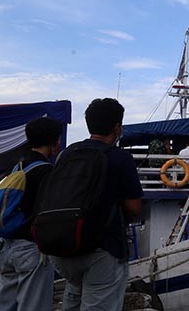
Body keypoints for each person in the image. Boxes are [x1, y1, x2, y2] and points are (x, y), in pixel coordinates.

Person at [50, 98, 143, 311]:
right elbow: (133, 208)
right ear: (117, 128)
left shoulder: (67, 154)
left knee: (73, 299)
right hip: (102, 249)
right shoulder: (121, 158)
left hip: (62, 246)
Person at [0, 117, 62, 311]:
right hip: (32, 249)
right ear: (54, 141)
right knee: (34, 306)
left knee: (4, 305)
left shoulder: (19, 166)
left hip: (9, 248)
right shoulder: (46, 171)